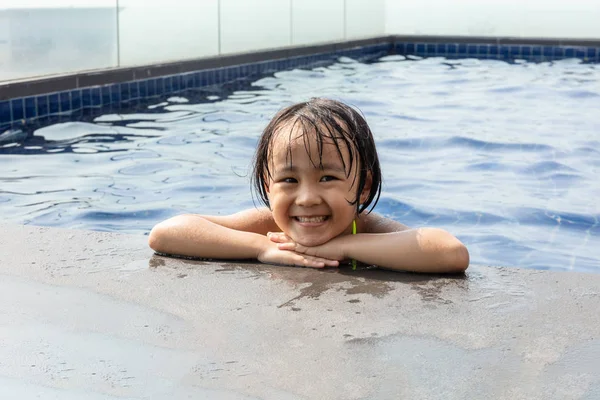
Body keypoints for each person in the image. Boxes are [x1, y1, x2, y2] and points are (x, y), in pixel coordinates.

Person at [148, 98, 469, 273]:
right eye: (289, 180)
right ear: (268, 185)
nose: (307, 198)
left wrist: (343, 247)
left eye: (327, 178)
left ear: (364, 187)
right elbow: (166, 232)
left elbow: (451, 252)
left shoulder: (364, 227)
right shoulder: (268, 227)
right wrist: (261, 248)